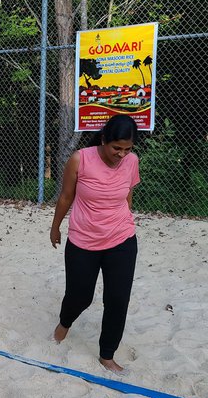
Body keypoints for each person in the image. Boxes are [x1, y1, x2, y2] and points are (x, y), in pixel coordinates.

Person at [49, 114, 141, 373]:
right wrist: (55, 227)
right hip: (83, 239)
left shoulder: (132, 161)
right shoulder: (80, 159)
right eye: (117, 148)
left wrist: (125, 220)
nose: (122, 154)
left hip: (121, 238)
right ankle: (64, 323)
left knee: (118, 299)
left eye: (127, 149)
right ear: (103, 140)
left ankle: (107, 354)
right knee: (80, 296)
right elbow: (66, 197)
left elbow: (127, 195)